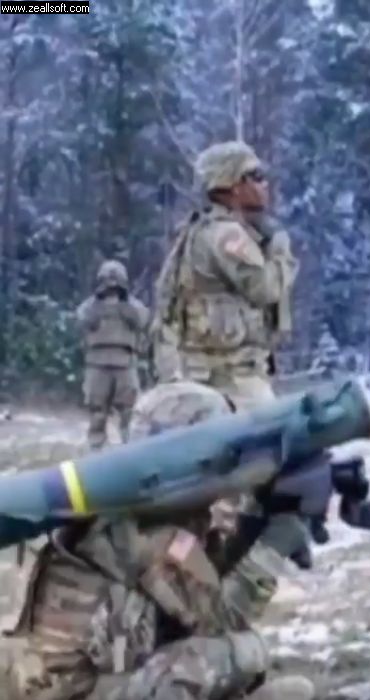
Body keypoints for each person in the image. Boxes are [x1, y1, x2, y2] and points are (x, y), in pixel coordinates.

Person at [0, 380, 316, 700]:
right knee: (241, 653)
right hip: (76, 691)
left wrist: (256, 520)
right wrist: (276, 543)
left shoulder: (127, 504)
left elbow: (205, 581)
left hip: (82, 682)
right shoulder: (140, 531)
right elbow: (221, 620)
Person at [151, 140, 297, 412]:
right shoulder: (226, 234)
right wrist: (280, 251)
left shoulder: (205, 229)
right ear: (234, 185)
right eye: (255, 176)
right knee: (272, 435)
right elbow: (266, 289)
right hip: (233, 381)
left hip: (212, 375)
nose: (265, 185)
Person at [75, 260, 149, 449]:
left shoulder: (131, 306)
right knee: (97, 411)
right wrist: (100, 304)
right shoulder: (92, 306)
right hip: (97, 363)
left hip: (125, 363)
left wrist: (124, 305)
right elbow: (82, 319)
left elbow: (142, 319)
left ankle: (129, 447)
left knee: (128, 411)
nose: (111, 286)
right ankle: (96, 446)